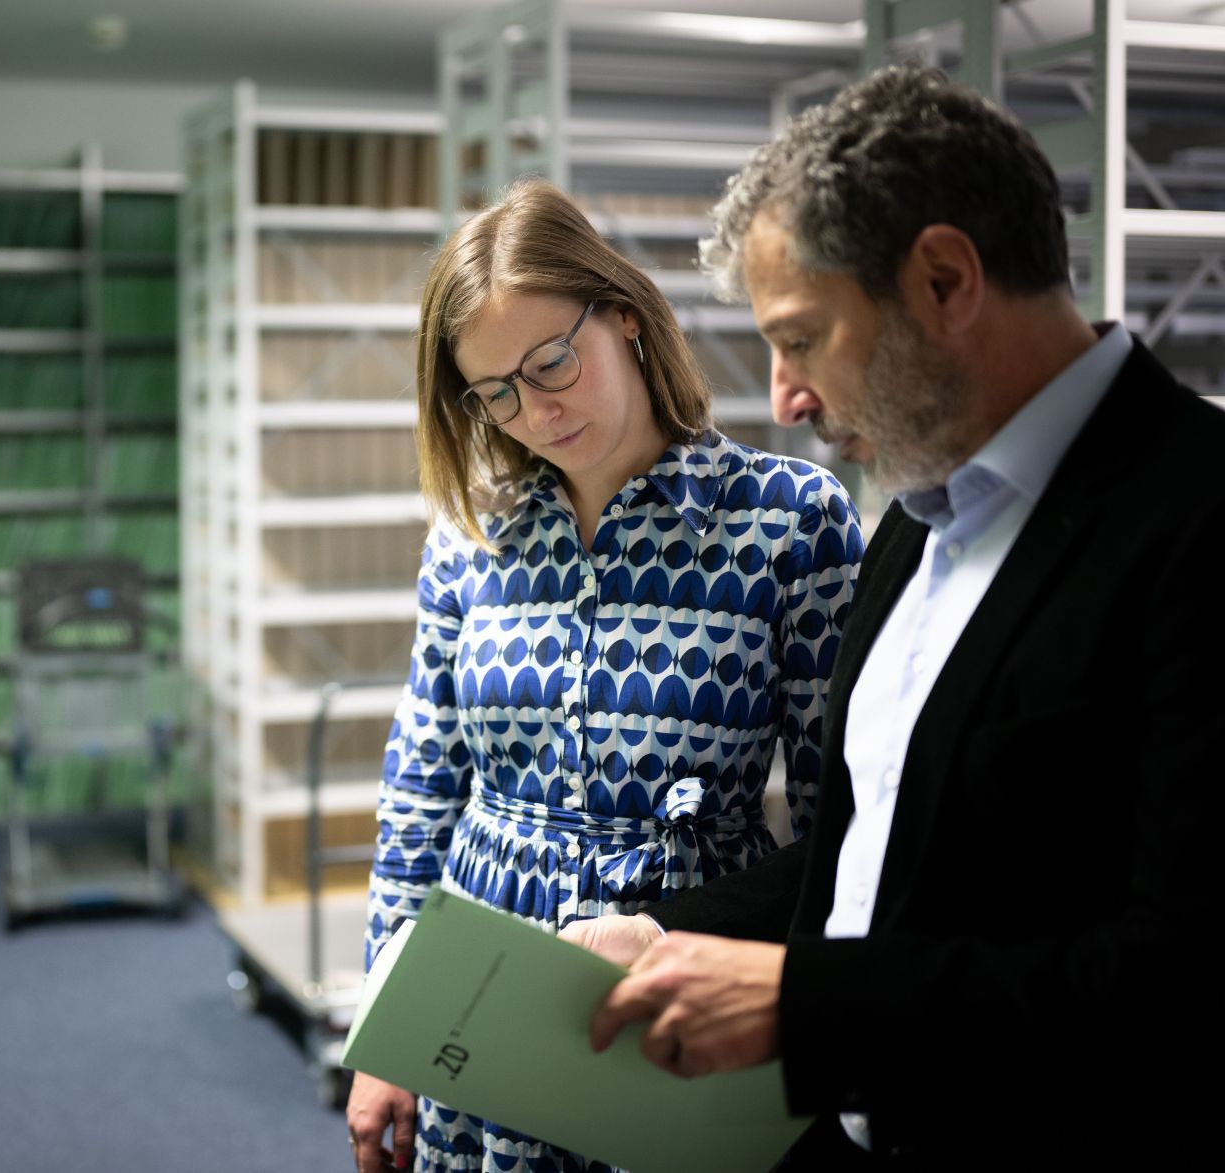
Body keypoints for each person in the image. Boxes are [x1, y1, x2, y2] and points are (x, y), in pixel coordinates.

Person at [575, 62, 1224, 1169]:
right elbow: (869, 854)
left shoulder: (1195, 520)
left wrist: (803, 1007)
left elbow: (1179, 982)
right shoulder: (914, 523)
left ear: (941, 280)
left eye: (798, 337)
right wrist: (678, 932)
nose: (782, 397)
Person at [346, 178, 865, 1173]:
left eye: (551, 363)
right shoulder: (471, 539)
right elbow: (418, 797)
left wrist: (814, 1032)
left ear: (622, 315)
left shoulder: (787, 520)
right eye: (492, 394)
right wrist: (385, 1024)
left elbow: (835, 827)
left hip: (678, 970)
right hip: (480, 985)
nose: (533, 413)